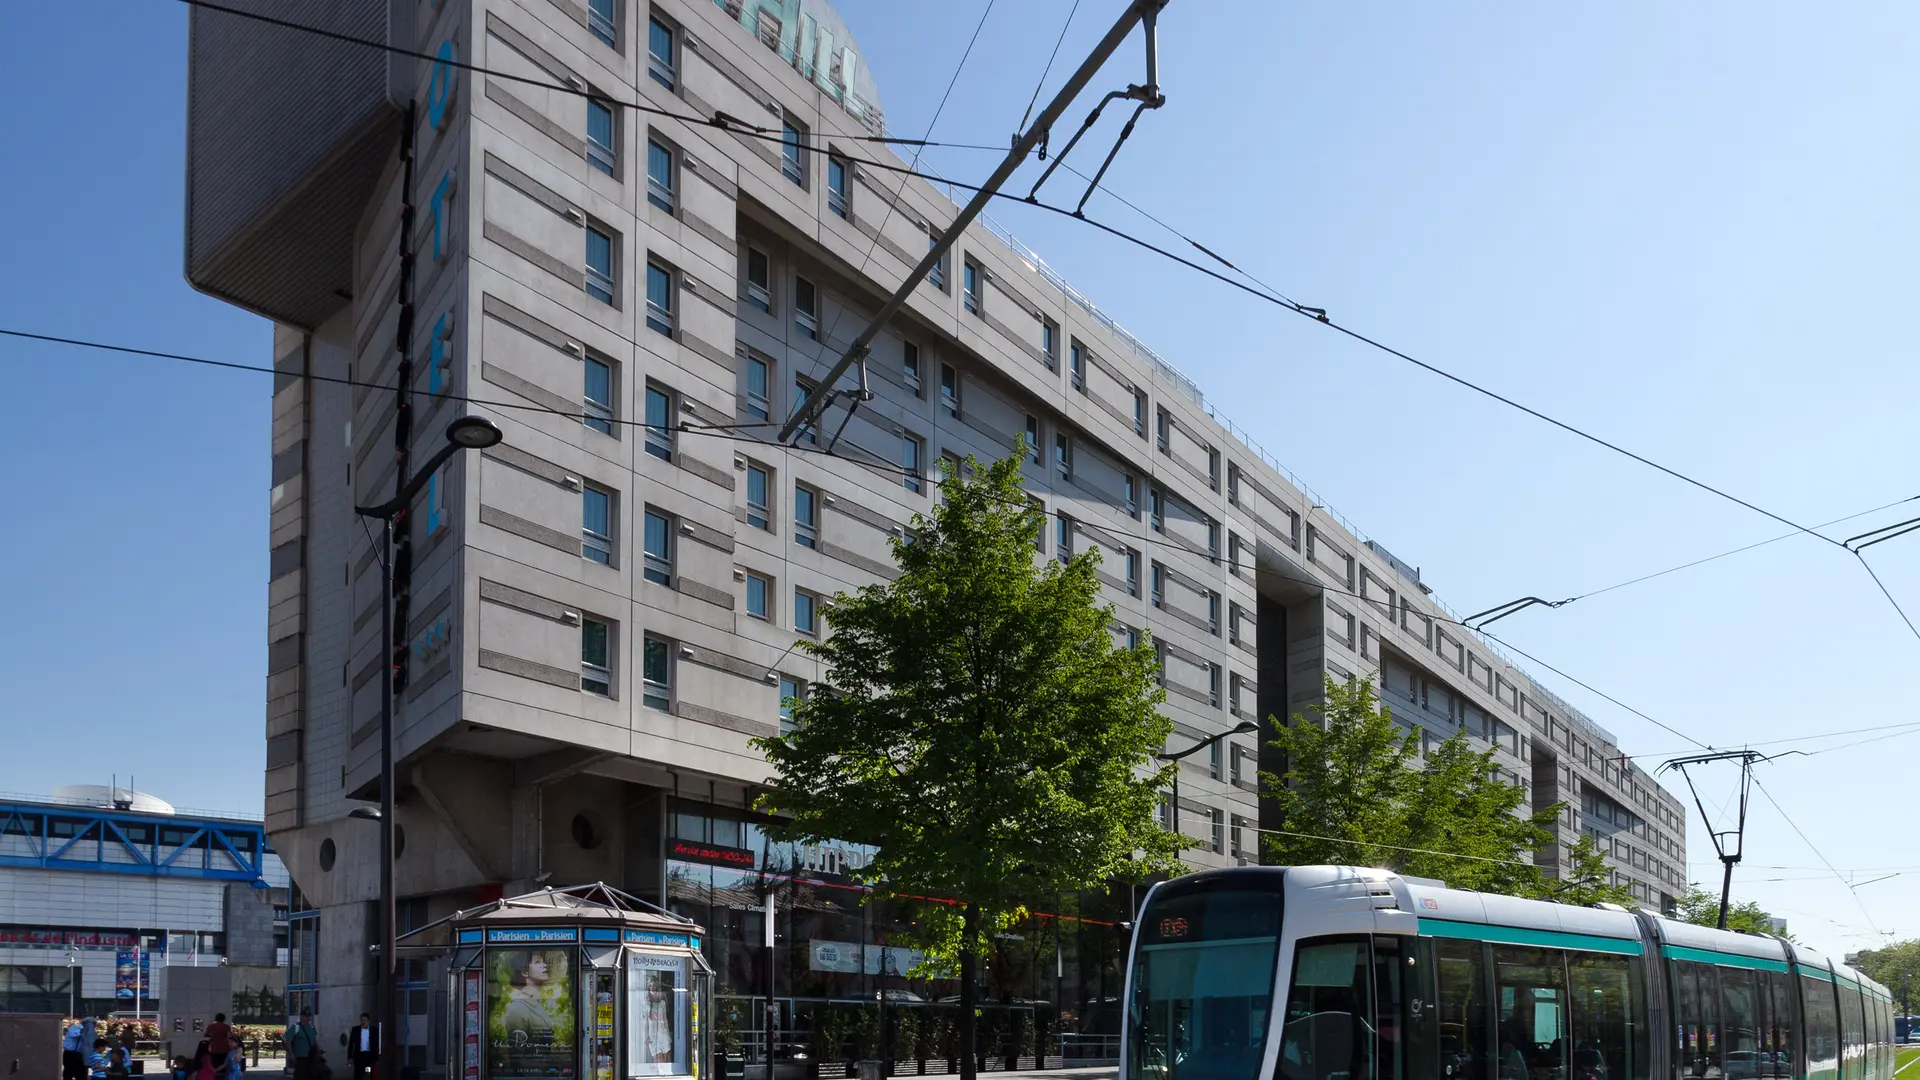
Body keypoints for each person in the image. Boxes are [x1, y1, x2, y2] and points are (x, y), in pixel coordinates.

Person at [343, 1013, 380, 1080]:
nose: (363, 1022)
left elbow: (376, 1044)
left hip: (369, 1057)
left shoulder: (374, 1031)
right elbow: (351, 1044)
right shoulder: (355, 1030)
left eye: (364, 1020)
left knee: (368, 1074)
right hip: (359, 1056)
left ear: (368, 1021)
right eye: (361, 1020)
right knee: (358, 1074)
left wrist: (376, 1057)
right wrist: (350, 1057)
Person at [288, 1010, 321, 1080]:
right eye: (306, 1016)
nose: (308, 1018)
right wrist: (291, 1054)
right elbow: (288, 1041)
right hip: (300, 1058)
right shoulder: (295, 1027)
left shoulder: (312, 1027)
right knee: (300, 1076)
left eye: (309, 1016)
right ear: (301, 1017)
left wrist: (319, 1051)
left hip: (311, 1058)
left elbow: (315, 1041)